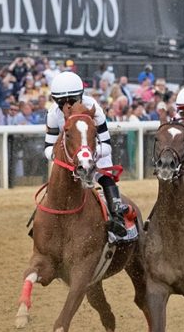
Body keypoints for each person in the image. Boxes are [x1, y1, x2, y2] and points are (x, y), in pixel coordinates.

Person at [44, 71, 128, 238]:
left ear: (81, 96)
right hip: (69, 158)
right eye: (61, 102)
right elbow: (48, 148)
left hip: (94, 153)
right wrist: (66, 158)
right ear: (55, 100)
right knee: (55, 187)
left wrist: (87, 156)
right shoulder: (53, 114)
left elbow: (106, 146)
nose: (67, 106)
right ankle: (42, 223)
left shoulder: (94, 110)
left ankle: (117, 218)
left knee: (106, 179)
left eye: (72, 100)